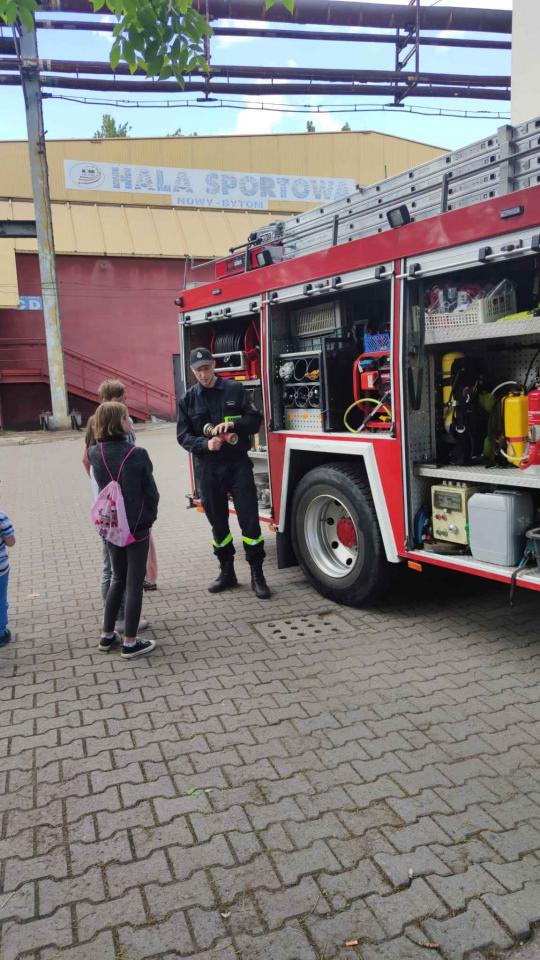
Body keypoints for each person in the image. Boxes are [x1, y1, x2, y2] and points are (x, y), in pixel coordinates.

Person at [177, 347, 271, 599]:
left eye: (206, 368)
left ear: (213, 365)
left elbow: (254, 421)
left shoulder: (234, 390)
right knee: (218, 524)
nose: (203, 375)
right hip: (208, 467)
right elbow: (183, 436)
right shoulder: (188, 399)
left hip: (237, 464)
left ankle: (257, 575)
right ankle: (227, 572)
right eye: (198, 371)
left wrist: (235, 424)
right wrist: (204, 444)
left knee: (249, 522)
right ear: (192, 371)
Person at [89, 401, 159, 659]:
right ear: (118, 422)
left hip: (111, 525)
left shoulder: (95, 452)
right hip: (136, 525)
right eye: (127, 417)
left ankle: (107, 635)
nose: (130, 421)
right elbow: (151, 492)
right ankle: (130, 642)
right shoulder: (137, 454)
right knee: (134, 583)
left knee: (118, 578)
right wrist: (151, 516)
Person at [0, 508, 15, 647]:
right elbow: (11, 542)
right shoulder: (1, 517)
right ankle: (1, 633)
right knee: (1, 600)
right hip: (1, 570)